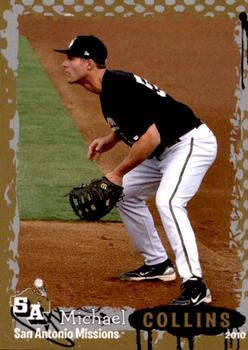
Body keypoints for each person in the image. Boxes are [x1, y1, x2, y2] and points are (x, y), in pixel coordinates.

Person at [55, 35, 217, 306]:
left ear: (89, 63)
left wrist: (116, 173)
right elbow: (141, 115)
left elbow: (150, 138)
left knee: (170, 201)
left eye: (70, 58)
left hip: (189, 144)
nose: (64, 64)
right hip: (163, 151)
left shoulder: (115, 87)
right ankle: (157, 263)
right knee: (125, 195)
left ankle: (195, 284)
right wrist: (112, 138)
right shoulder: (112, 86)